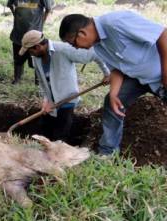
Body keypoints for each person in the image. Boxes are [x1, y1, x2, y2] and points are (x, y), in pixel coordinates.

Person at [59, 11, 167, 155]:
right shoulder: (98, 47)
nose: (76, 48)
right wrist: (113, 94)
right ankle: (107, 153)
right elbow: (117, 69)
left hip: (161, 74)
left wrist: (165, 73)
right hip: (138, 78)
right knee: (112, 103)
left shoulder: (116, 22)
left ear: (82, 33)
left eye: (73, 43)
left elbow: (163, 35)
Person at [19, 30, 110, 142]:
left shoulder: (64, 49)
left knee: (60, 134)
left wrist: (107, 73)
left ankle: (59, 156)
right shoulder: (36, 58)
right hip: (51, 100)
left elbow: (94, 54)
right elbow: (42, 81)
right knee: (44, 131)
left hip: (67, 99)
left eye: (30, 51)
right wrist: (46, 100)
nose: (30, 54)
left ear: (38, 47)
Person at [7, 0, 53, 84]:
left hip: (35, 34)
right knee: (18, 57)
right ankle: (17, 79)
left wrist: (41, 23)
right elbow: (10, 5)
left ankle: (38, 81)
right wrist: (16, 15)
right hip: (19, 31)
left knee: (37, 57)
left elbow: (48, 9)